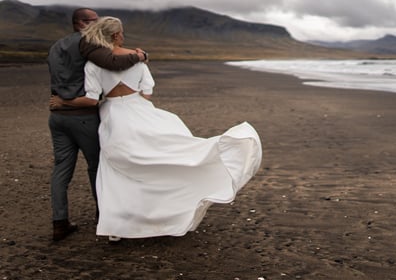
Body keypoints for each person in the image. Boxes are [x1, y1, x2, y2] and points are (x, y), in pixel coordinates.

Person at [51, 17, 262, 241]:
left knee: (119, 169)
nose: (123, 36)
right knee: (161, 158)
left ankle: (118, 226)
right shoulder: (138, 60)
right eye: (121, 33)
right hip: (139, 109)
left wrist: (65, 103)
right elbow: (147, 92)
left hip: (113, 116)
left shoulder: (93, 65)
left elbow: (93, 98)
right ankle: (161, 213)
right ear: (115, 36)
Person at [47, 8, 146, 241]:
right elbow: (112, 62)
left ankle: (59, 222)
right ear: (83, 23)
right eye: (95, 21)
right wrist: (140, 56)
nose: (98, 26)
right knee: (97, 167)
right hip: (83, 115)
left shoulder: (55, 47)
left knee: (61, 169)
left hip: (57, 116)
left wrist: (61, 101)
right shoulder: (88, 42)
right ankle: (104, 216)